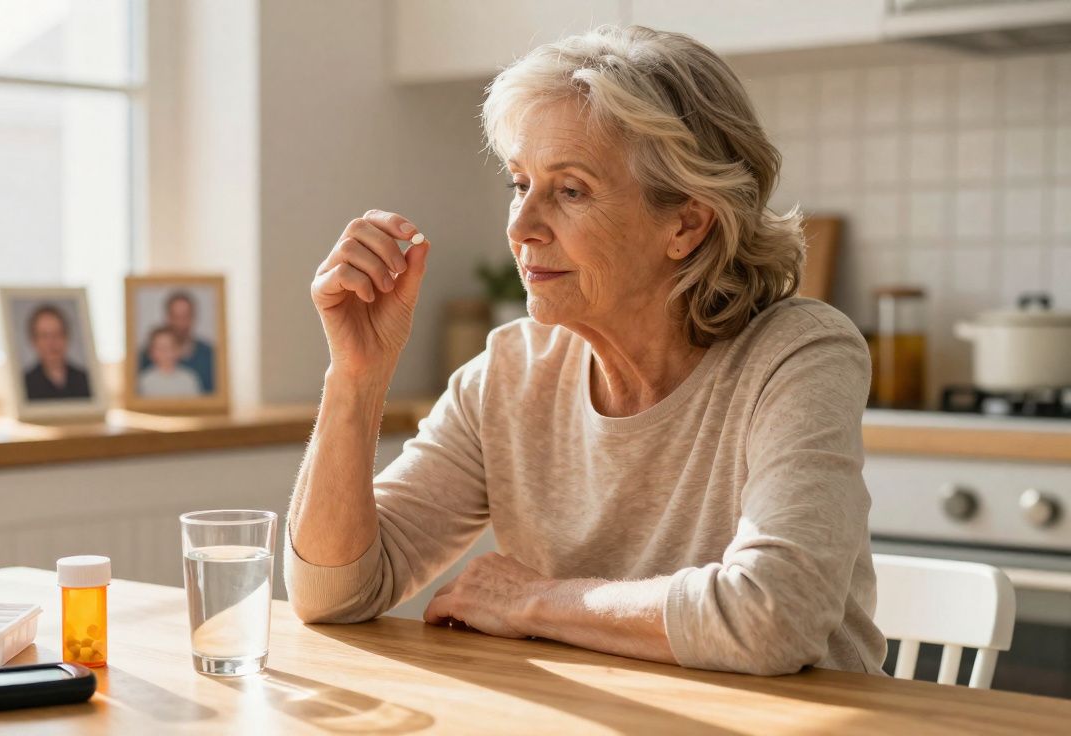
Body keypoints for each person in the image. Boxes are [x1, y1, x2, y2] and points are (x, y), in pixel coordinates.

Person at [285, 25, 886, 677]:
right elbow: (332, 594)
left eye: (569, 190)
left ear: (685, 223)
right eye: (520, 184)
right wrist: (355, 375)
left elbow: (775, 617)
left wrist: (533, 603)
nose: (521, 227)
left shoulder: (796, 355)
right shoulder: (511, 373)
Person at [139, 291, 215, 393]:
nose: (180, 323)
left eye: (185, 316)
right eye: (176, 317)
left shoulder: (209, 355)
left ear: (194, 317)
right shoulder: (144, 360)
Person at [23, 304, 92, 400]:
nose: (51, 343)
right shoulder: (24, 384)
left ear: (66, 337)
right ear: (34, 341)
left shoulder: (86, 380)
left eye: (57, 334)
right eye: (44, 336)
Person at [138, 327, 203, 396]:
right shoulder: (144, 380)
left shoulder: (189, 378)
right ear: (151, 352)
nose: (164, 352)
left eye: (168, 347)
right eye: (159, 348)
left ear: (178, 350)